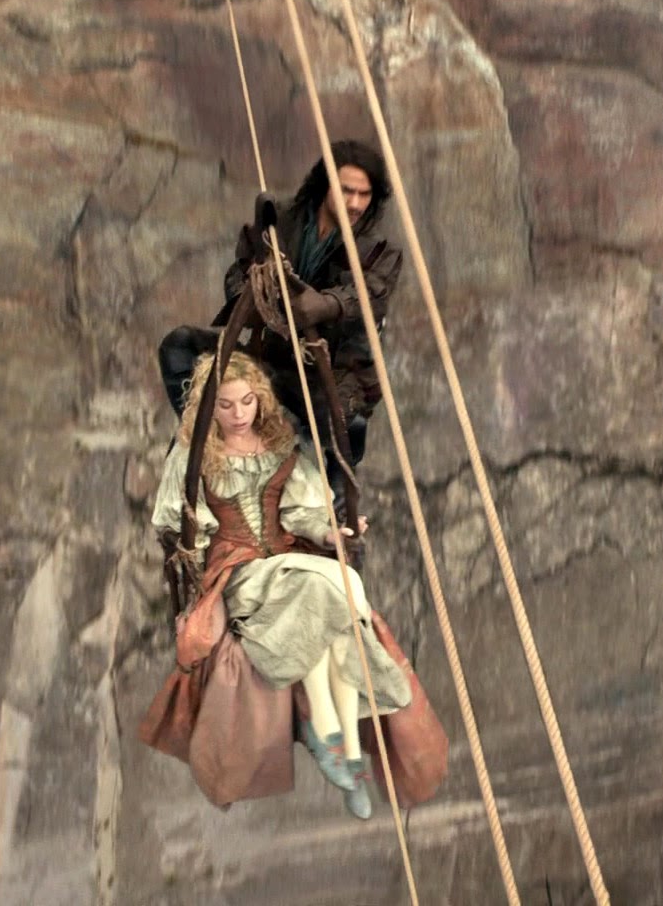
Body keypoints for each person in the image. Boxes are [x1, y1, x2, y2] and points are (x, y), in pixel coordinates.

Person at [137, 351, 446, 818]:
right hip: (241, 570)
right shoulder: (194, 453)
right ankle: (333, 742)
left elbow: (301, 513)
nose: (239, 414)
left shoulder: (277, 444)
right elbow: (182, 527)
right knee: (330, 592)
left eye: (247, 401)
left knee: (335, 607)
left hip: (287, 559)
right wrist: (196, 565)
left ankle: (345, 754)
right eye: (226, 405)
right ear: (208, 406)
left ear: (260, 398)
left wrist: (329, 533)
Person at [158, 140, 402, 467]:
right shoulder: (279, 222)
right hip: (269, 362)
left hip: (327, 381)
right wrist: (254, 296)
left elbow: (370, 294)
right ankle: (206, 437)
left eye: (364, 194)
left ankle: (331, 478)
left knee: (343, 428)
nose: (355, 203)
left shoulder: (379, 250)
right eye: (346, 190)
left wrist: (326, 304)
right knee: (180, 345)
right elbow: (239, 271)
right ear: (325, 184)